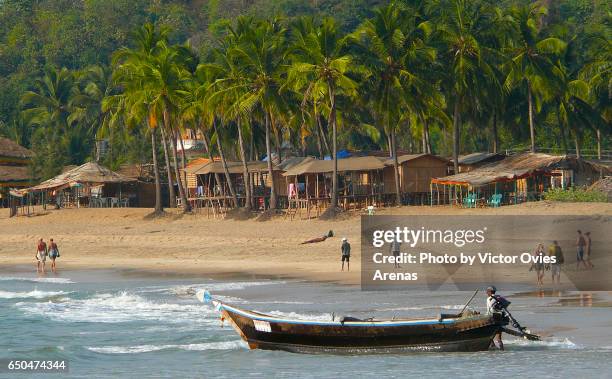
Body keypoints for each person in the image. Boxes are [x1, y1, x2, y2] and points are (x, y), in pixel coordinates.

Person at [486, 286, 504, 350]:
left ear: (490, 291)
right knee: (499, 338)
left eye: (487, 291)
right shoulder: (499, 297)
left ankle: (493, 346)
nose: (486, 292)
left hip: (492, 318)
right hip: (500, 318)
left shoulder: (489, 299)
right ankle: (502, 350)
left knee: (487, 335)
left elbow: (489, 310)